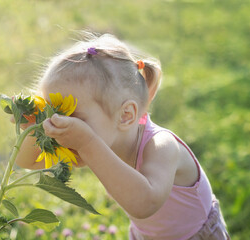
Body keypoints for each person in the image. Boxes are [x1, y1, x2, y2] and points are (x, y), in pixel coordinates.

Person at [15, 33, 230, 240]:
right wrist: (36, 127)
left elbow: (144, 204)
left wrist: (86, 141)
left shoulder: (162, 146)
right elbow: (26, 161)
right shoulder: (100, 137)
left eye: (72, 116)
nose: (63, 125)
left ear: (126, 115)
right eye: (54, 113)